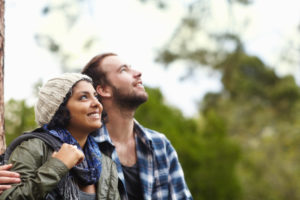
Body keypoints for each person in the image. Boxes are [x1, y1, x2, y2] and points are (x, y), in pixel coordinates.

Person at [82, 53, 193, 200]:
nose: (138, 73)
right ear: (103, 90)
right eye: (123, 70)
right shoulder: (83, 149)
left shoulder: (161, 145)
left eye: (131, 68)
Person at [0, 73, 120, 200]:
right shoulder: (34, 148)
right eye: (84, 97)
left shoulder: (106, 164)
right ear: (59, 109)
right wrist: (58, 166)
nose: (97, 104)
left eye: (95, 97)